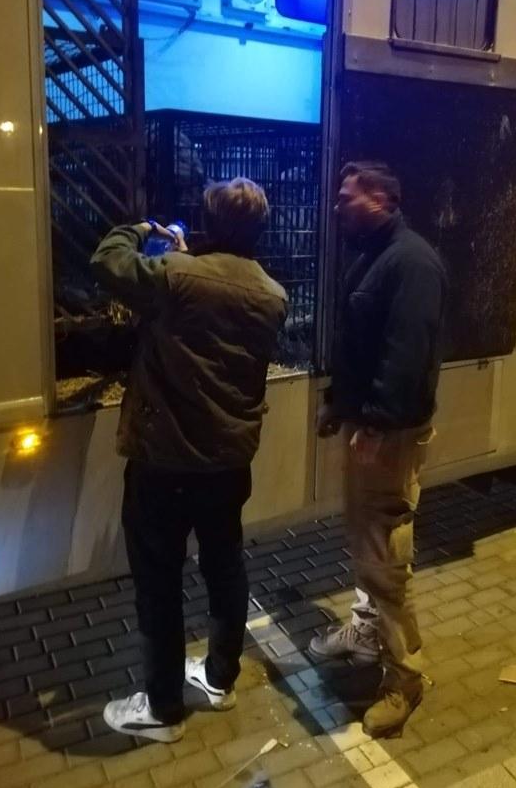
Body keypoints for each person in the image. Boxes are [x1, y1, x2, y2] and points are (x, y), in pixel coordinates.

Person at [90, 178, 286, 743]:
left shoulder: (176, 275)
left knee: (159, 581)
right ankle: (220, 681)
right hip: (228, 462)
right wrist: (187, 257)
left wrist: (146, 229)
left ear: (208, 221)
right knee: (225, 567)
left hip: (166, 460)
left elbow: (107, 260)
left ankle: (163, 708)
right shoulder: (273, 294)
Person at [309, 161, 447, 738]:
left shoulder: (410, 261)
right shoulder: (374, 254)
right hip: (369, 426)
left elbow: (405, 355)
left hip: (388, 436)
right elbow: (359, 345)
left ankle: (405, 680)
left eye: (347, 197)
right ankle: (367, 632)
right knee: (368, 547)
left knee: (386, 562)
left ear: (382, 199)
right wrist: (339, 404)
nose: (337, 206)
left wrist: (378, 423)